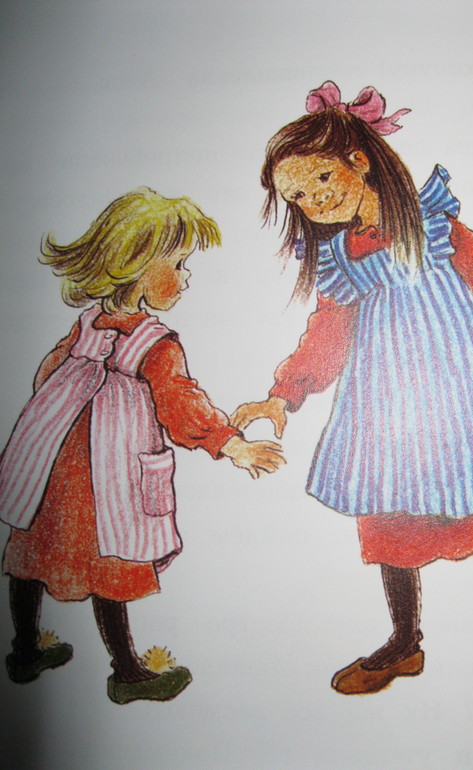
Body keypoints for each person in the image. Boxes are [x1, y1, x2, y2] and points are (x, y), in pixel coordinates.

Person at [232, 81, 473, 695]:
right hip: (387, 408)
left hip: (467, 392)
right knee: (391, 513)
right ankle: (402, 642)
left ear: (358, 161)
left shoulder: (431, 223)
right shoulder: (341, 260)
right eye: (298, 197)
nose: (314, 200)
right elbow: (327, 334)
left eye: (320, 179)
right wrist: (284, 394)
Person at [0, 187, 284, 704]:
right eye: (178, 264)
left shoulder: (88, 323)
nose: (186, 276)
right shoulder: (155, 343)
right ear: (135, 266)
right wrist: (232, 445)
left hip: (54, 466)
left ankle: (23, 651)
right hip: (107, 477)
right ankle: (128, 673)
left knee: (34, 553)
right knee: (114, 559)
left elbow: (47, 374)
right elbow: (182, 406)